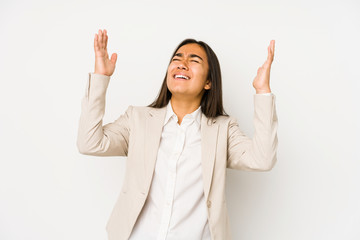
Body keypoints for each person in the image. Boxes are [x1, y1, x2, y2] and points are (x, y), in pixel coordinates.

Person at [77, 29, 278, 240]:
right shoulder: (137, 119)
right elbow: (89, 143)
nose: (182, 64)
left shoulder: (223, 129)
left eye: (194, 60)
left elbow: (263, 159)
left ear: (208, 82)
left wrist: (262, 91)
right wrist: (100, 77)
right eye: (177, 58)